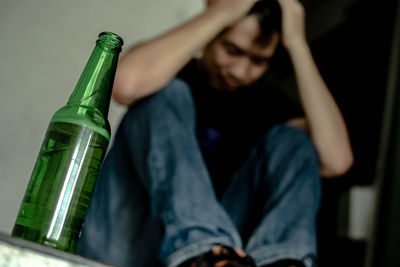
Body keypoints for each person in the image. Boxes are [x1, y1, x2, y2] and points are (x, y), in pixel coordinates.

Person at [77, 0, 353, 266]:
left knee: (294, 140)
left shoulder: (269, 105)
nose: (239, 71)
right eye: (232, 50)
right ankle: (205, 255)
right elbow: (124, 85)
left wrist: (298, 45)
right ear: (214, 35)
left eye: (258, 61)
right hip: (125, 245)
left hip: (231, 254)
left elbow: (335, 160)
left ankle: (278, 262)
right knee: (165, 93)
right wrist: (221, 12)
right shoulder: (167, 72)